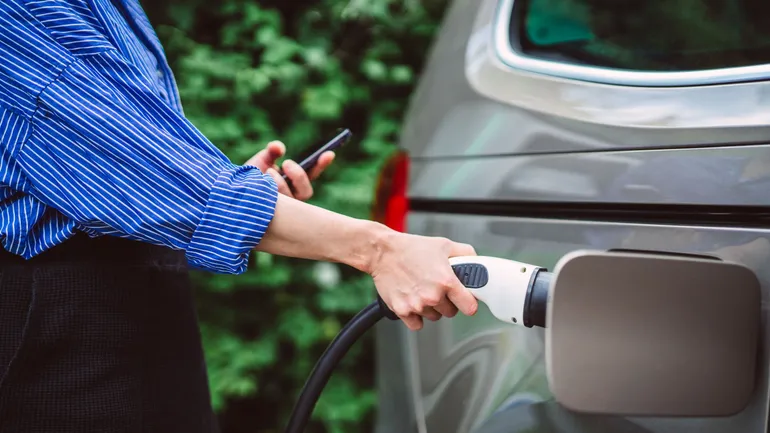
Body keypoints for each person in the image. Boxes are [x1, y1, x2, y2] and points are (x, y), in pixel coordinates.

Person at [0, 1, 479, 432]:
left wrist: (245, 194)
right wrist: (382, 248)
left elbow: (128, 172)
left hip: (127, 311)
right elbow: (136, 164)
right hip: (59, 334)